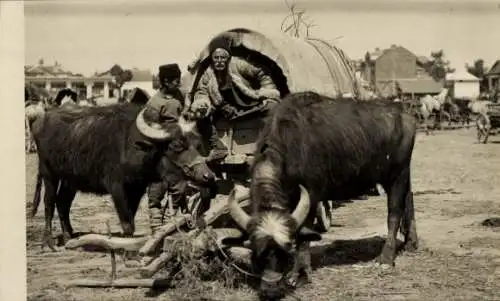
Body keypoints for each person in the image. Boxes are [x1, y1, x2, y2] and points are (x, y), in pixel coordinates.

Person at [187, 37, 281, 161]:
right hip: (224, 108)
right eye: (216, 58)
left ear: (228, 58)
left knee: (273, 108)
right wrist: (202, 103)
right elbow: (201, 91)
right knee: (199, 115)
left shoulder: (239, 64)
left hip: (249, 105)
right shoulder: (208, 73)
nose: (219, 61)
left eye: (222, 58)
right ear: (212, 59)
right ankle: (218, 147)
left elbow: (262, 74)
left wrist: (267, 91)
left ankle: (268, 146)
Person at [141, 63, 189, 234]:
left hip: (179, 152)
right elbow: (149, 130)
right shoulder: (154, 103)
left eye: (179, 78)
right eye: (175, 80)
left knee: (179, 189)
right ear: (166, 81)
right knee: (156, 195)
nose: (178, 82)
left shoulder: (181, 96)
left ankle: (171, 229)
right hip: (160, 154)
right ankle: (156, 231)